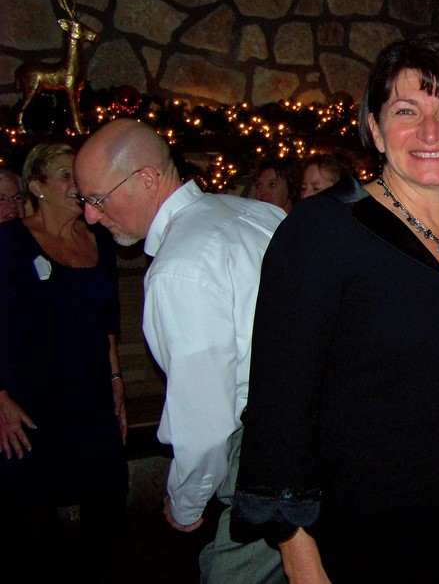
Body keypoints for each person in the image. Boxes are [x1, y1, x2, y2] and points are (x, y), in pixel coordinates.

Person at [234, 34, 439, 580]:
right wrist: (300, 555)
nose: (430, 131)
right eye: (406, 111)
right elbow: (279, 404)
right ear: (376, 129)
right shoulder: (322, 231)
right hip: (359, 531)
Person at [74, 120, 286, 584]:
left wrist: (186, 500)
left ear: (147, 179)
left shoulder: (179, 269)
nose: (90, 216)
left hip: (271, 451)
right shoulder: (255, 213)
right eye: (84, 201)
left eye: (97, 199)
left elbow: (204, 418)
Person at [0, 143, 128, 582]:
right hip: (27, 404)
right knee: (33, 532)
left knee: (107, 507)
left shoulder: (100, 242)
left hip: (89, 398)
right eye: (64, 175)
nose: (78, 185)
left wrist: (116, 381)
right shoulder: (9, 243)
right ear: (36, 186)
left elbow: (106, 323)